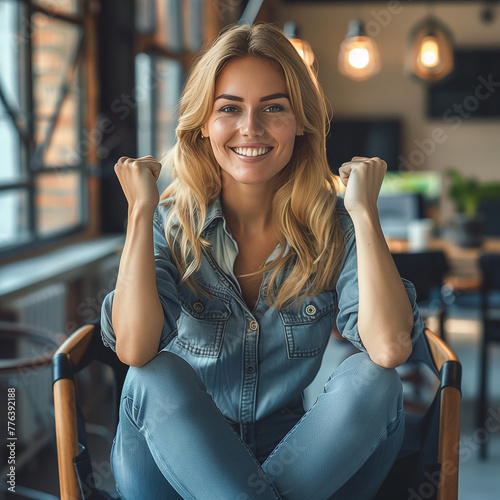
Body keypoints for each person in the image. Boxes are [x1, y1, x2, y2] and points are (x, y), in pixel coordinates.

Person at [101, 22, 424, 500]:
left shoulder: (334, 223)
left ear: (300, 122)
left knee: (376, 380)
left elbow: (390, 348)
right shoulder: (167, 222)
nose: (250, 128)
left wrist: (363, 214)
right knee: (153, 374)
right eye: (229, 108)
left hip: (298, 452)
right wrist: (140, 210)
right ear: (203, 125)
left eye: (273, 108)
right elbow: (133, 348)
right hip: (175, 453)